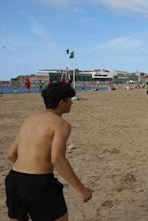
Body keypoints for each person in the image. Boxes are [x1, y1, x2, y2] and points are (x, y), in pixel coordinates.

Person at [5, 82, 93, 220]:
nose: (72, 103)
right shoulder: (61, 124)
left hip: (14, 178)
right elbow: (57, 158)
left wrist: (27, 170)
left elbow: (11, 154)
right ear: (62, 102)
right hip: (39, 183)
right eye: (70, 100)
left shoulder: (30, 120)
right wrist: (81, 189)